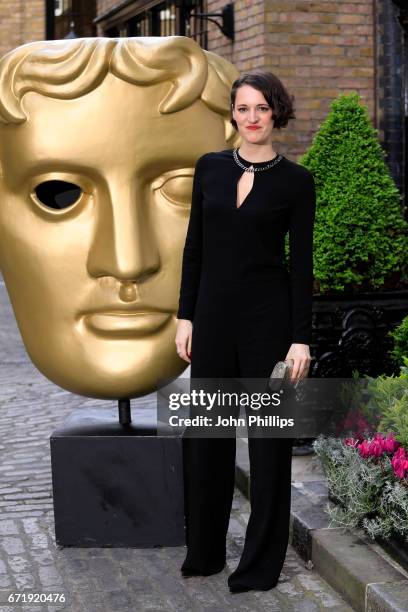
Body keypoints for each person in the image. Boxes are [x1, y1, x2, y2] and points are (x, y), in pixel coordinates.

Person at [175, 71, 316, 593]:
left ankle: (258, 566)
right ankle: (205, 552)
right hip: (211, 320)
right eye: (243, 108)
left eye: (261, 108)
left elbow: (301, 266)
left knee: (267, 447)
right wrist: (184, 316)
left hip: (267, 325)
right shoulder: (209, 169)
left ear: (276, 113)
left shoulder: (296, 182)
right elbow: (195, 247)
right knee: (207, 440)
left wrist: (300, 338)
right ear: (231, 114)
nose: (252, 118)